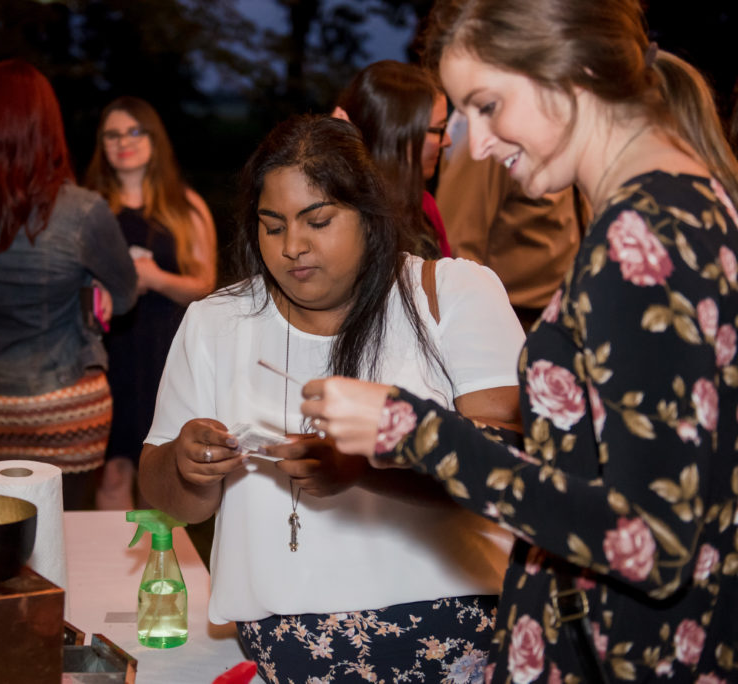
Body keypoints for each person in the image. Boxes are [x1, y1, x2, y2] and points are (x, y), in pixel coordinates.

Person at [301, 1, 738, 681]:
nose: (475, 145)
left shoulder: (639, 240)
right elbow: (603, 459)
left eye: (488, 105)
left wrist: (417, 432)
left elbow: (649, 543)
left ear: (576, 73)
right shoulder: (695, 198)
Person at [139, 114, 524, 682]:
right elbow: (168, 502)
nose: (293, 247)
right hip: (287, 641)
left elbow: (513, 471)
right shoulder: (216, 323)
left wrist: (368, 466)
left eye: (317, 220)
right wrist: (187, 467)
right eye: (272, 227)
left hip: (455, 626)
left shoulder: (452, 296)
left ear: (368, 217)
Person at [0, 60, 137, 511]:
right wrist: (92, 284)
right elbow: (126, 293)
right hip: (66, 404)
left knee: (4, 535)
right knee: (63, 538)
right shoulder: (83, 210)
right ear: (46, 125)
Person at [83, 96, 217, 509]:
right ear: (102, 145)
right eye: (113, 134)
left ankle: (158, 569)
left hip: (165, 350)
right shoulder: (89, 206)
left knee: (161, 467)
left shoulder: (185, 205)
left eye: (134, 132)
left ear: (154, 139)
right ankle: (116, 571)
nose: (124, 142)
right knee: (114, 469)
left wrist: (155, 278)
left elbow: (206, 285)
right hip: (109, 351)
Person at [436, 128, 584, 329]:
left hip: (561, 312)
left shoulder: (558, 136)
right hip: (511, 318)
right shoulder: (493, 143)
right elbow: (459, 242)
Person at [334, 60, 452, 258]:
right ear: (395, 136)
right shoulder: (338, 214)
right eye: (439, 130)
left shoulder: (424, 207)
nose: (447, 141)